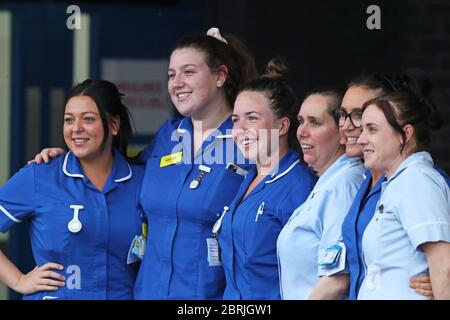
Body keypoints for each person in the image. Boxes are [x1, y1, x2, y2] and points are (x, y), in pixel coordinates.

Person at [31, 28, 257, 299]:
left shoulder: (249, 140)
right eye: (172, 75)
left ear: (221, 76)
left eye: (189, 72)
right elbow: (120, 169)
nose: (177, 83)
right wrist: (74, 154)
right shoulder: (169, 137)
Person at [0, 79, 144, 299]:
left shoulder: (142, 181)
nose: (76, 128)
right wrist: (19, 280)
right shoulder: (40, 176)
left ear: (114, 125)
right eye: (69, 120)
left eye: (88, 119)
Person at [339, 72, 450, 299]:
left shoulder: (417, 180)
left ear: (404, 134)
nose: (361, 139)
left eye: (372, 129)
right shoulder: (396, 183)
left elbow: (445, 266)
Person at [217, 58, 317, 299]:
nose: (240, 129)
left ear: (282, 126)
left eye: (252, 118)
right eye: (235, 120)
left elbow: (314, 273)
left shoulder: (300, 186)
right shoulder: (246, 177)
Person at [276, 89, 365, 299]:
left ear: (341, 132)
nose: (301, 132)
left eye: (315, 122)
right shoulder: (328, 181)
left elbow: (337, 279)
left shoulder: (344, 184)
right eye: (301, 121)